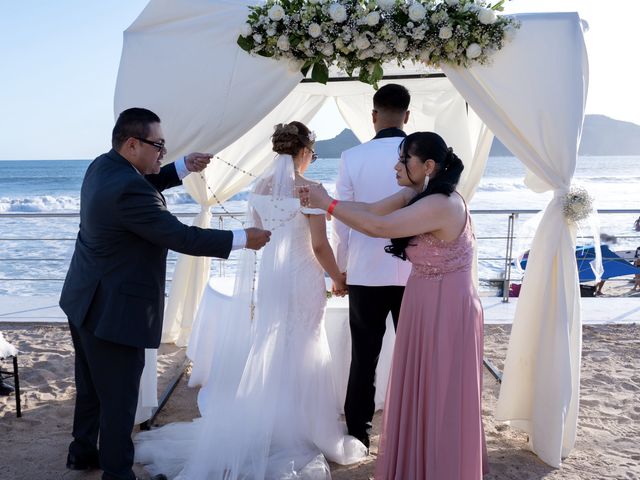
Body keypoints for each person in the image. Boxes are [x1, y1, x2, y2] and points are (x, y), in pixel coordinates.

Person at [135, 122, 366, 479]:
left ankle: (268, 420)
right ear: (304, 151)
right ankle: (301, 429)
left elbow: (263, 236)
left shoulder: (259, 186)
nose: (311, 159)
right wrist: (337, 277)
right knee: (304, 345)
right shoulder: (311, 190)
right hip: (303, 279)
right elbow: (320, 246)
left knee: (272, 343)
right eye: (313, 153)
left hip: (272, 280)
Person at [59, 107, 271, 480]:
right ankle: (117, 473)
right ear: (131, 144)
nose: (163, 151)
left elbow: (143, 186)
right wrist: (243, 239)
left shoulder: (103, 167)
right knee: (119, 400)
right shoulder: (128, 188)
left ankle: (81, 454)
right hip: (114, 310)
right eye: (158, 145)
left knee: (91, 386)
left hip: (83, 299)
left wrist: (182, 167)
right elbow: (181, 236)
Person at [300, 131, 488, 479]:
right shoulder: (418, 194)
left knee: (440, 392)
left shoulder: (440, 204)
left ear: (428, 165)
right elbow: (370, 211)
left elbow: (378, 226)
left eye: (404, 159)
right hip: (426, 302)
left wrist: (327, 204)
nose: (396, 165)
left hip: (445, 308)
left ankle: (441, 465)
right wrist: (329, 200)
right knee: (425, 389)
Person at [332, 83, 412, 448]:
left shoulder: (351, 157)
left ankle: (358, 434)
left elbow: (342, 218)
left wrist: (341, 268)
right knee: (415, 356)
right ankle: (412, 427)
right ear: (407, 117)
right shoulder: (420, 154)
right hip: (415, 271)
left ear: (374, 117)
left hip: (365, 271)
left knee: (364, 356)